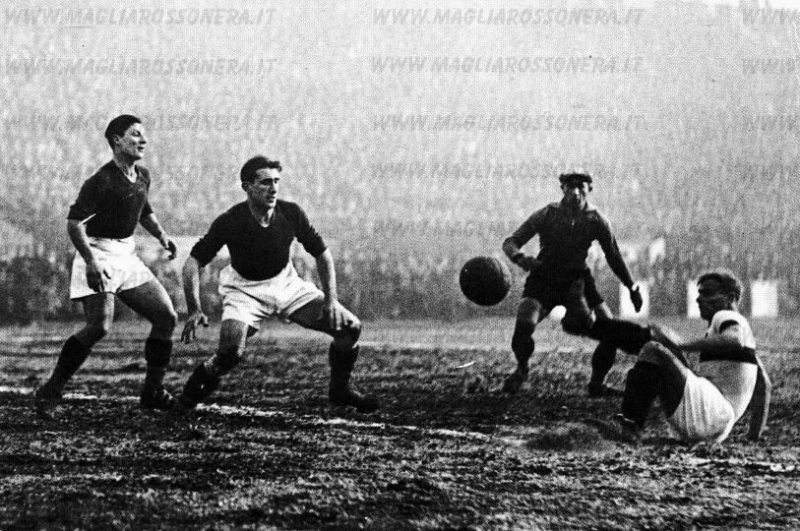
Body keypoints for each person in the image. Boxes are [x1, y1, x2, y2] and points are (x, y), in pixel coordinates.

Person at [174, 156, 378, 413]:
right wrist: (194, 308)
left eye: (276, 182)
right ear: (247, 187)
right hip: (244, 291)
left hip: (286, 284)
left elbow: (322, 254)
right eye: (265, 182)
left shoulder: (290, 213)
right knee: (229, 354)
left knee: (350, 328)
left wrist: (331, 301)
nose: (273, 188)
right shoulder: (231, 220)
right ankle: (187, 400)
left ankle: (340, 389)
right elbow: (192, 263)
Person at [34, 114, 179, 419]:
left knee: (166, 316)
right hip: (98, 251)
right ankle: (52, 389)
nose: (143, 140)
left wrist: (163, 236)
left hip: (126, 252)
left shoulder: (142, 175)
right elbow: (74, 224)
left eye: (143, 135)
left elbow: (144, 209)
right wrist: (90, 262)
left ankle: (153, 391)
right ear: (117, 140)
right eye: (135, 134)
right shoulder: (101, 181)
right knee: (99, 325)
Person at [568, 268, 771, 444]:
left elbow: (734, 339)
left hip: (713, 413)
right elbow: (764, 385)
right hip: (716, 423)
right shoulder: (744, 335)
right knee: (660, 348)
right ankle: (630, 423)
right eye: (699, 293)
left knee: (653, 349)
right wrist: (753, 437)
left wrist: (680, 344)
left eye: (707, 293)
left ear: (729, 298)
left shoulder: (727, 317)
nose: (698, 299)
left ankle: (630, 425)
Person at [501, 172, 643, 397]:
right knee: (524, 326)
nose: (575, 192)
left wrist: (631, 286)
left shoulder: (596, 219)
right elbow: (511, 241)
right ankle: (522, 368)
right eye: (570, 186)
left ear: (589, 189)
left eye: (581, 187)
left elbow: (614, 255)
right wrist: (519, 257)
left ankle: (596, 384)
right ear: (563, 189)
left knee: (610, 330)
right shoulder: (548, 213)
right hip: (544, 277)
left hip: (577, 280)